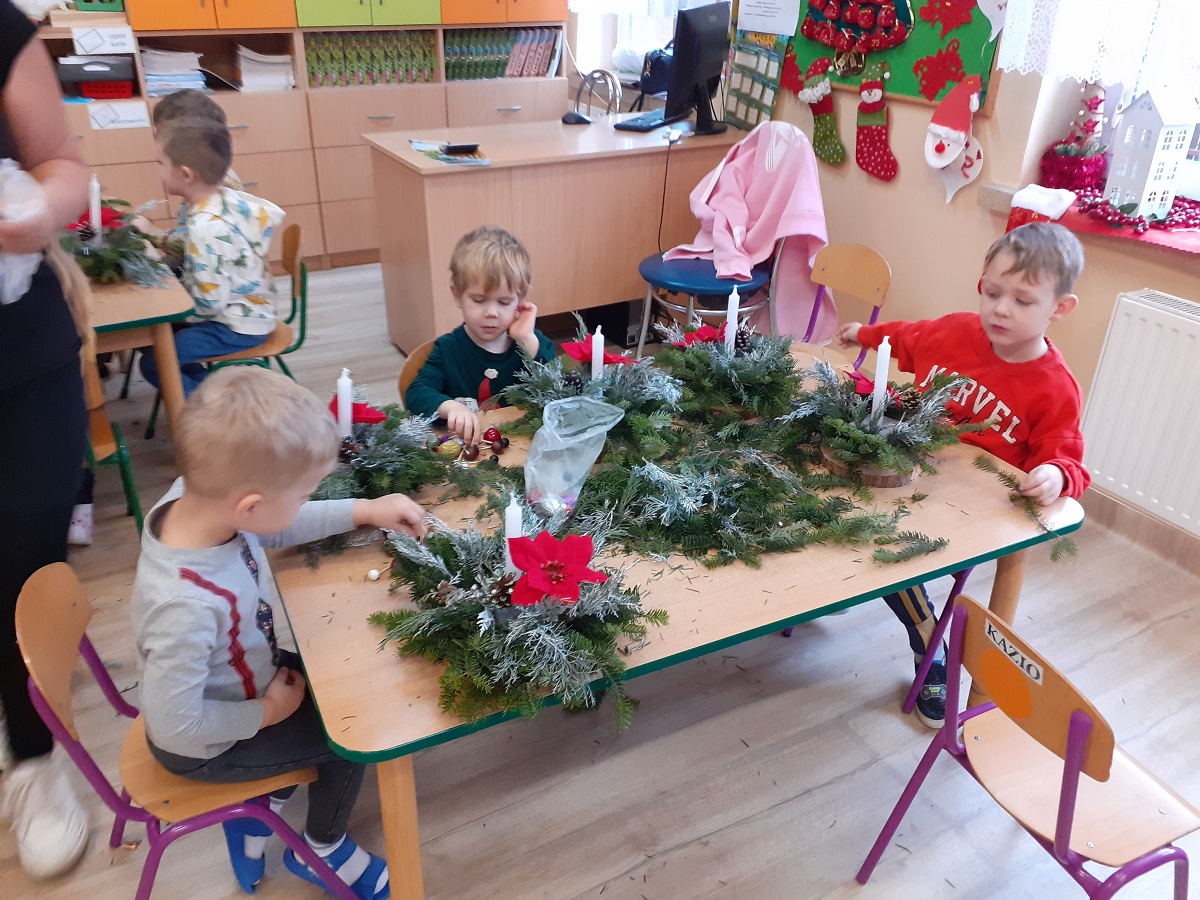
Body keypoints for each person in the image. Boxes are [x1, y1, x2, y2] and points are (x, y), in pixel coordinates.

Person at [130, 367, 424, 898]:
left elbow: (278, 523)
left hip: (248, 678)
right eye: (303, 493)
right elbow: (177, 726)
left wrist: (365, 509)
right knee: (355, 736)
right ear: (250, 506)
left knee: (337, 682)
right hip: (207, 742)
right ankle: (323, 847)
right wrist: (268, 712)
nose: (304, 502)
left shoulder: (195, 501)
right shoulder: (184, 606)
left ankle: (263, 804)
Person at [834, 222, 1090, 728]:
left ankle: (928, 643)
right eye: (991, 293)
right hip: (912, 473)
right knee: (840, 498)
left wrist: (1055, 475)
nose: (1000, 309)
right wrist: (863, 334)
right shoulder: (954, 331)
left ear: (1059, 308)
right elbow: (905, 337)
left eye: (1022, 300)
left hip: (970, 516)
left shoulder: (1055, 387)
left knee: (880, 540)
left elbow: (1070, 461)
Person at [0, 0, 92, 879]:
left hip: (18, 364)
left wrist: (36, 209)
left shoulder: (3, 30)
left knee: (24, 562)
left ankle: (33, 755)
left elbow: (60, 165)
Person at [139, 117, 283, 395]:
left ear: (185, 174)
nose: (159, 171)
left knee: (155, 361)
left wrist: (168, 303)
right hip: (247, 313)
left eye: (162, 164)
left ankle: (214, 410)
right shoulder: (221, 201)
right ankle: (206, 390)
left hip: (236, 325)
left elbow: (209, 304)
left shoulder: (206, 227)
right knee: (155, 340)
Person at [405, 225, 556, 444]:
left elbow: (558, 392)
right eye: (479, 300)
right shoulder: (448, 349)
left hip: (523, 448)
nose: (491, 313)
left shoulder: (533, 343)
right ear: (457, 295)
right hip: (468, 453)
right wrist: (450, 407)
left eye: (504, 302)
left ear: (520, 299)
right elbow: (417, 392)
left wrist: (527, 342)